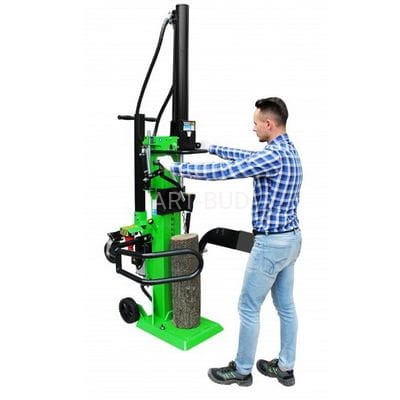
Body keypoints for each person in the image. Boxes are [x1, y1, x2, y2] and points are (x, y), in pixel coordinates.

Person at [158, 97, 303, 387]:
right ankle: (285, 368)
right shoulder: (287, 150)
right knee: (286, 307)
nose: (253, 128)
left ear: (268, 124)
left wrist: (176, 169)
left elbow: (225, 172)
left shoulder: (273, 157)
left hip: (271, 246)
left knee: (248, 307)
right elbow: (247, 157)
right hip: (291, 241)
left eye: (255, 123)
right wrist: (211, 147)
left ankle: (242, 370)